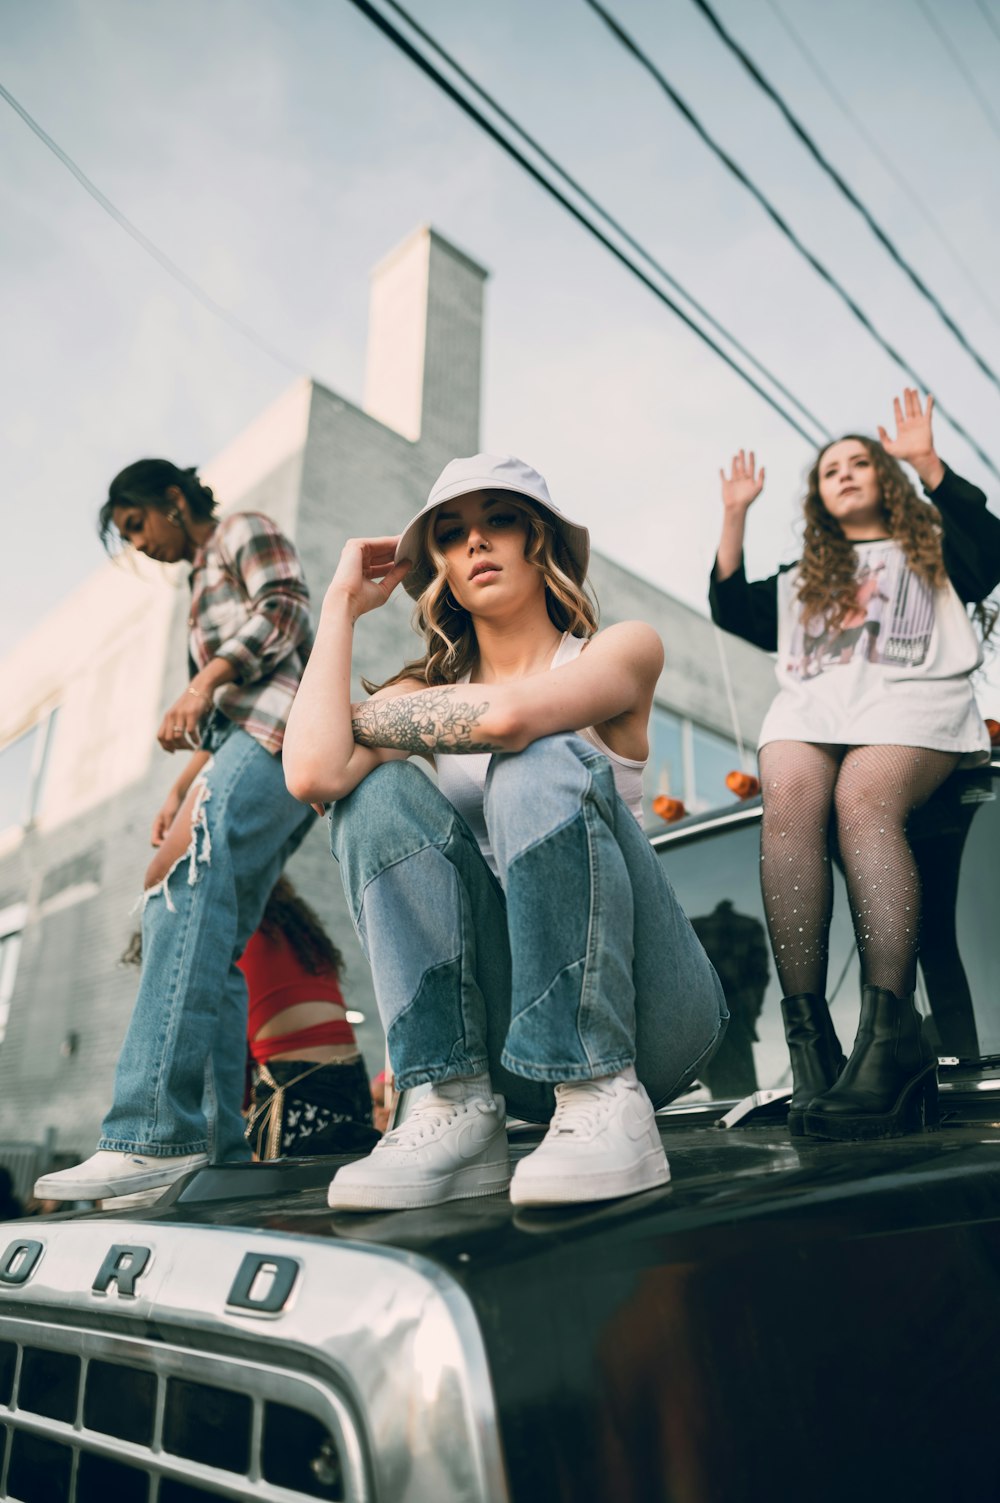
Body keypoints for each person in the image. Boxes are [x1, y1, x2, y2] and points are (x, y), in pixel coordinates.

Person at [283, 452, 727, 1210]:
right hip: (508, 1038)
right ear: (443, 571)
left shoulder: (622, 649)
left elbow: (510, 718)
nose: (476, 542)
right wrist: (338, 608)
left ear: (540, 541)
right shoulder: (428, 688)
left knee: (530, 755)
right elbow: (313, 774)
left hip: (650, 1014)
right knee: (375, 794)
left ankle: (601, 1093)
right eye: (452, 534)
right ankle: (452, 1102)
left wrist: (371, 718)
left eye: (500, 520)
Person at [710, 389, 1000, 1140]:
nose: (841, 472)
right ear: (818, 496)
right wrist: (735, 512)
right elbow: (734, 608)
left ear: (885, 480)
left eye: (858, 462)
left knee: (862, 798)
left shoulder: (931, 551)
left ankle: (891, 1035)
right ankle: (813, 1047)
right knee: (791, 790)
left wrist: (930, 463)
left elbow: (990, 553)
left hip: (913, 698)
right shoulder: (809, 573)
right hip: (820, 707)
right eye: (829, 468)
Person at [36, 460, 315, 1201]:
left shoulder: (241, 530)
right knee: (212, 939)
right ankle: (217, 1158)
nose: (142, 545)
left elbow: (286, 608)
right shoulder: (199, 581)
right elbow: (231, 708)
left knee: (179, 888)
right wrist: (184, 780)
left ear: (171, 499)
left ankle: (153, 1131)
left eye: (137, 527)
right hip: (247, 743)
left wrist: (200, 682)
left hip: (280, 735)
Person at [241, 877, 380, 1158]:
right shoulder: (297, 929)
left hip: (295, 1087)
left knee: (275, 1193)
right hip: (352, 1083)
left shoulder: (237, 929)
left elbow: (225, 1045)